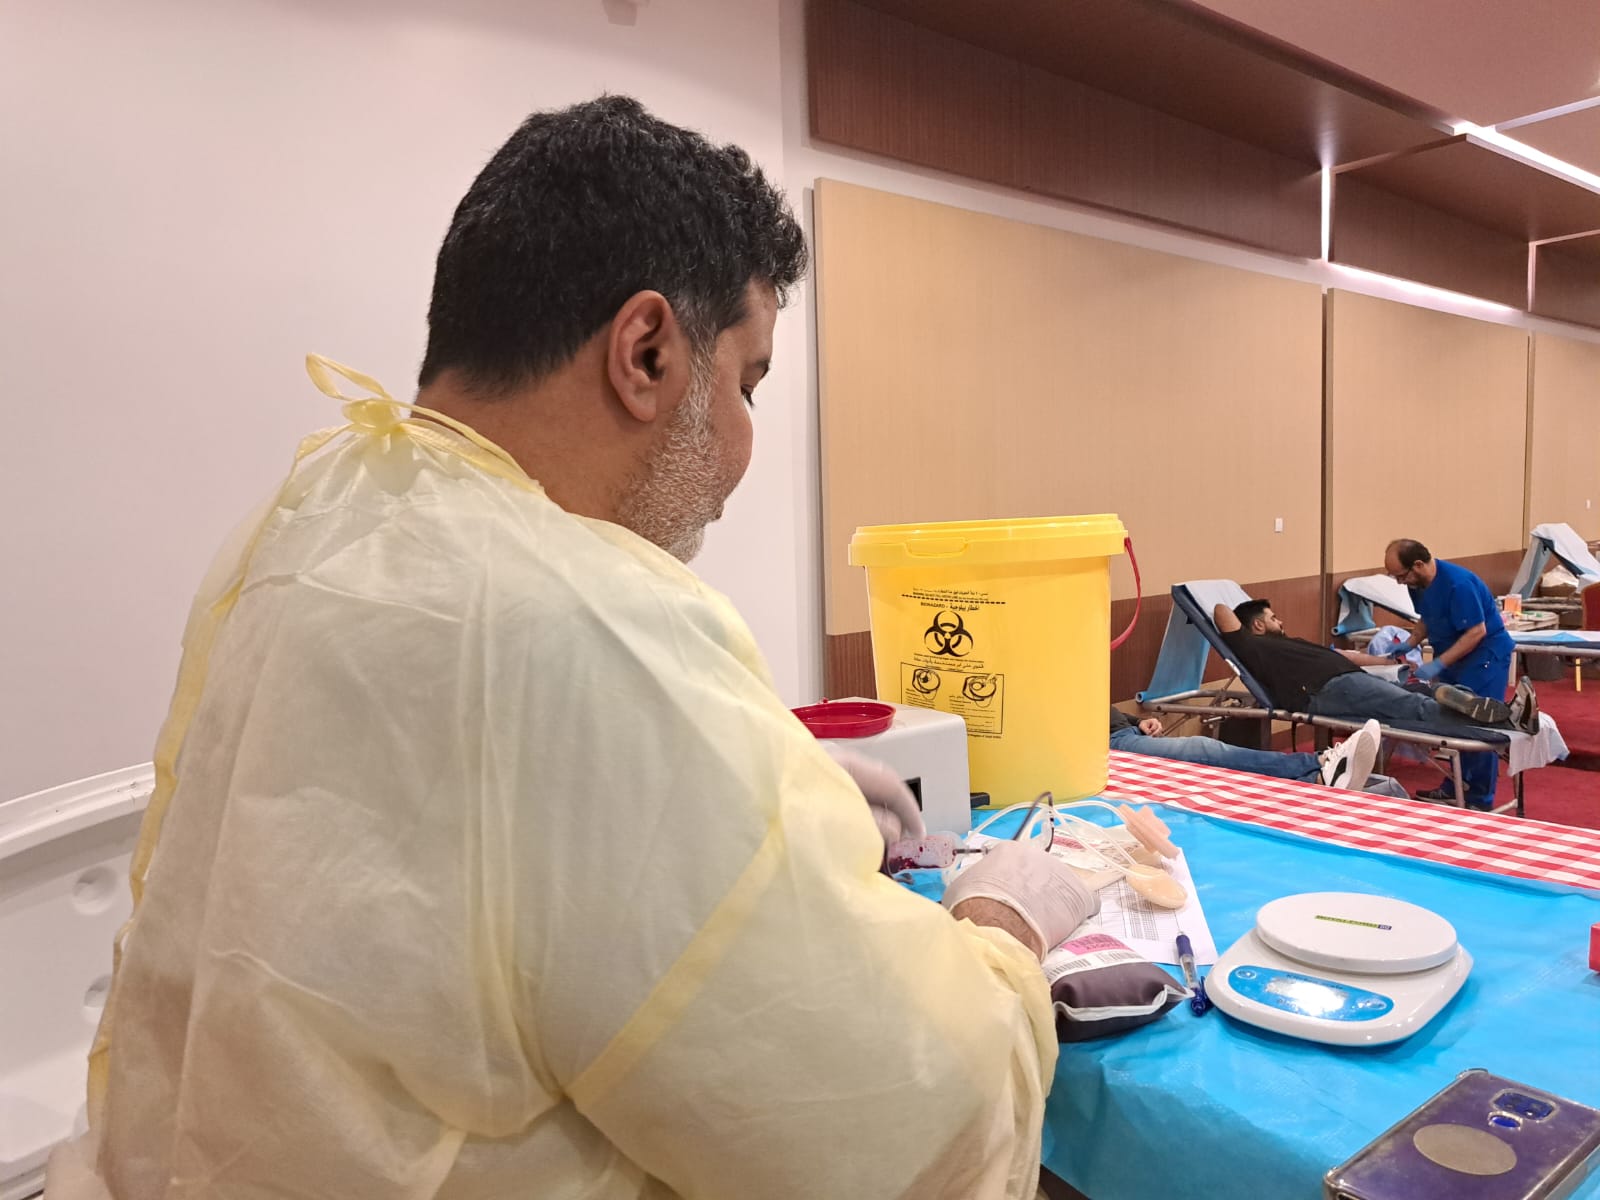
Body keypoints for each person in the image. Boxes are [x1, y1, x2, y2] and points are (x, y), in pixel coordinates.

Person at [49, 98, 1087, 1200]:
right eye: (745, 383)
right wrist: (1003, 924)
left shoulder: (316, 512)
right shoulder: (585, 622)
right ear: (646, 352)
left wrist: (753, 785)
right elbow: (893, 1122)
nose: (743, 445)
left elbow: (432, 853)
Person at [1214, 600, 1537, 810]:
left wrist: (1386, 662)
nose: (1280, 620)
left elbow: (1344, 655)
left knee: (1428, 692)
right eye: (1272, 617)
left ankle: (1494, 709)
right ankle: (1507, 720)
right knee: (1414, 706)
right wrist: (1243, 623)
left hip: (1348, 677)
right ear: (1257, 626)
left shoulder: (1289, 643)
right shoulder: (1251, 646)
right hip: (1326, 688)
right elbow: (1219, 610)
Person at [1383, 538, 1521, 807]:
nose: (1400, 582)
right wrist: (1410, 642)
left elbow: (1476, 632)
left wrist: (1438, 664)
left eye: (1401, 576)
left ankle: (1479, 797)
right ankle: (1455, 786)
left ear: (1418, 565)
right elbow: (1426, 616)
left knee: (1478, 723)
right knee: (1451, 721)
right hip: (1453, 656)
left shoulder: (1459, 584)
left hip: (1484, 657)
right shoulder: (1418, 584)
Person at [1108, 707, 1381, 791]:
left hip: (1127, 731)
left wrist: (1137, 721)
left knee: (1205, 750)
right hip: (1112, 744)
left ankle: (1319, 773)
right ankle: (1319, 768)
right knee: (1203, 749)